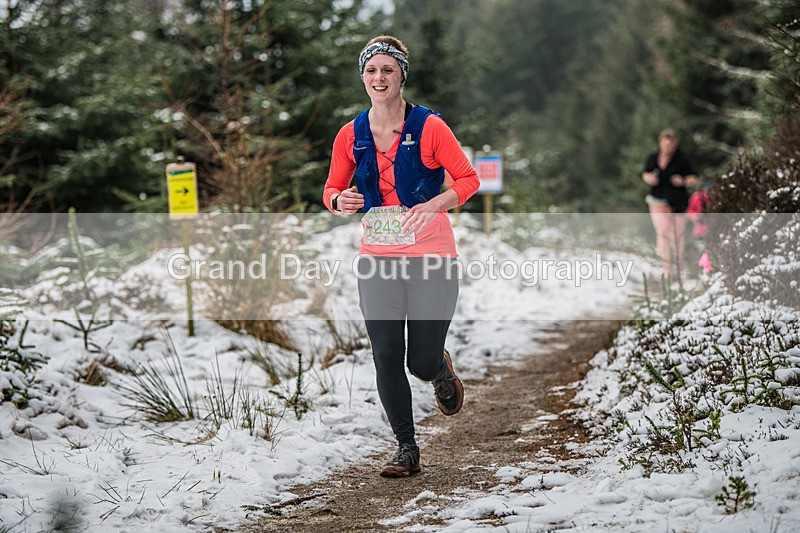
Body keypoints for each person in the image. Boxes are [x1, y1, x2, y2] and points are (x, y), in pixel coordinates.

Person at [323, 36, 480, 477]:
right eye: (371, 70)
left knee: (419, 360)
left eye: (388, 70)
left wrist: (435, 204)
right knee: (386, 352)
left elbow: (468, 180)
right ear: (363, 76)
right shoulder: (349, 135)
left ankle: (440, 371)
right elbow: (331, 190)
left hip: (432, 255)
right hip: (377, 257)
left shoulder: (430, 127)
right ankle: (406, 447)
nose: (379, 78)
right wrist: (341, 202)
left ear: (402, 76)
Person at [642, 129, 699, 279]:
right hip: (657, 199)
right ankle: (667, 269)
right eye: (665, 145)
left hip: (678, 201)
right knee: (662, 232)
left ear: (675, 145)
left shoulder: (682, 158)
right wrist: (650, 178)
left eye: (670, 146)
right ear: (660, 143)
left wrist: (683, 181)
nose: (667, 149)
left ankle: (679, 267)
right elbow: (645, 174)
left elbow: (694, 177)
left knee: (677, 235)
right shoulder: (653, 157)